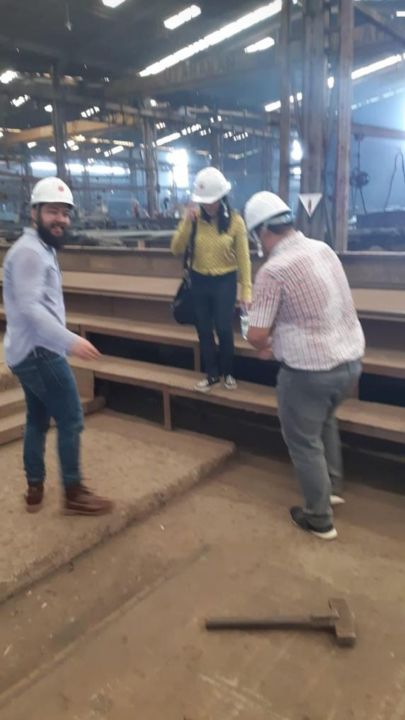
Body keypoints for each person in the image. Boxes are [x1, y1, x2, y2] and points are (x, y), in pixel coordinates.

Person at [245, 191, 365, 540]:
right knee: (325, 422)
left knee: (302, 442)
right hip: (350, 363)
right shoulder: (322, 249)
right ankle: (333, 489)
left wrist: (264, 344)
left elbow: (256, 334)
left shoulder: (274, 270)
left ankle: (318, 518)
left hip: (310, 373)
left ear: (263, 232)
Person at [2, 177, 113, 516]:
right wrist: (71, 340)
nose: (61, 220)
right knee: (71, 418)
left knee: (37, 417)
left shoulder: (40, 247)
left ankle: (34, 487)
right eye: (53, 211)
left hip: (30, 349)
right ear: (34, 212)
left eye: (65, 213)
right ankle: (74, 492)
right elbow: (31, 310)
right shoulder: (30, 252)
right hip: (40, 352)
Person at [171, 167, 252, 393]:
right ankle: (211, 374)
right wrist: (186, 223)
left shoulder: (236, 222)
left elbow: (244, 259)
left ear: (222, 197)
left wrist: (246, 290)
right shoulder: (194, 219)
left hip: (225, 281)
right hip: (199, 281)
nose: (208, 205)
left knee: (224, 328)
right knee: (204, 329)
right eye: (203, 201)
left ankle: (228, 372)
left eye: (212, 201)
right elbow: (176, 248)